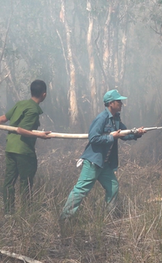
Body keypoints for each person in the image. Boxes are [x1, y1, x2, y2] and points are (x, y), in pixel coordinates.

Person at [60, 89, 146, 221]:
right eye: (119, 101)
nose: (121, 103)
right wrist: (111, 138)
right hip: (94, 161)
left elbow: (124, 134)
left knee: (113, 186)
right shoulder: (102, 118)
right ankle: (65, 219)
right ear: (111, 104)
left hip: (105, 163)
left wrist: (136, 134)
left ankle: (109, 218)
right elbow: (93, 138)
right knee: (81, 190)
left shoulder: (116, 119)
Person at [0, 80, 50, 214]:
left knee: (9, 181)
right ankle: (26, 212)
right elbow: (21, 130)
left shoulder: (21, 104)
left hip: (10, 147)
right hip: (23, 151)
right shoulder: (33, 110)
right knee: (25, 182)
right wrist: (40, 135)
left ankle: (9, 212)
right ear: (44, 95)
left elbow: (4, 118)